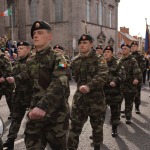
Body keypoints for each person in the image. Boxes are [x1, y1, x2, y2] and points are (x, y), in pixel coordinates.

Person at [24, 21, 70, 150]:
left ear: (49, 37)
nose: (35, 36)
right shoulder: (30, 60)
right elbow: (28, 87)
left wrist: (42, 106)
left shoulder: (58, 58)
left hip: (55, 117)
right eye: (34, 33)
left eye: (40, 32)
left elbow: (60, 82)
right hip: (35, 117)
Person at [67, 34, 108, 150]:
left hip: (96, 99)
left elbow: (103, 75)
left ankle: (97, 146)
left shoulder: (99, 59)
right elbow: (73, 75)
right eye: (81, 43)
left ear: (91, 44)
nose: (82, 45)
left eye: (85, 43)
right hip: (80, 100)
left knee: (97, 127)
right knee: (74, 127)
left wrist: (89, 86)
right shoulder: (75, 60)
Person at [3, 41, 32, 150]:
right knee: (16, 118)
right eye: (18, 48)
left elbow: (27, 73)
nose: (18, 50)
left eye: (21, 48)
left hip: (31, 94)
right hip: (19, 94)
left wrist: (15, 78)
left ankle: (32, 142)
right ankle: (10, 140)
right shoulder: (18, 61)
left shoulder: (32, 60)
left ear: (28, 49)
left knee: (33, 121)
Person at [103, 46, 126, 137]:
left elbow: (122, 76)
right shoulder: (100, 62)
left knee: (115, 112)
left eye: (108, 52)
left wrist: (115, 81)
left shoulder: (117, 63)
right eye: (105, 52)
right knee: (99, 114)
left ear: (112, 53)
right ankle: (97, 133)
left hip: (114, 92)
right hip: (102, 93)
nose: (106, 53)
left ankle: (114, 129)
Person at [120, 43, 142, 124]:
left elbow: (137, 71)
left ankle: (128, 117)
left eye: (125, 48)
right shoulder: (120, 60)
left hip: (130, 85)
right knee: (118, 101)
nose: (123, 50)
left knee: (128, 102)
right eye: (122, 48)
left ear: (129, 50)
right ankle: (116, 117)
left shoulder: (133, 60)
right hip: (121, 85)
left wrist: (136, 78)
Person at [130, 41, 146, 114]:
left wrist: (136, 76)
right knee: (128, 95)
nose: (133, 47)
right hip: (128, 79)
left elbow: (142, 68)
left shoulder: (140, 56)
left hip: (137, 79)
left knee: (137, 94)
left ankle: (137, 107)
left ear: (137, 47)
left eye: (134, 46)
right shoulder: (128, 55)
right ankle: (128, 109)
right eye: (132, 46)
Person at [0, 50, 14, 120]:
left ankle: (13, 113)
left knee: (10, 100)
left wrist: (3, 77)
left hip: (7, 84)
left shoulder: (4, 59)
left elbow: (9, 70)